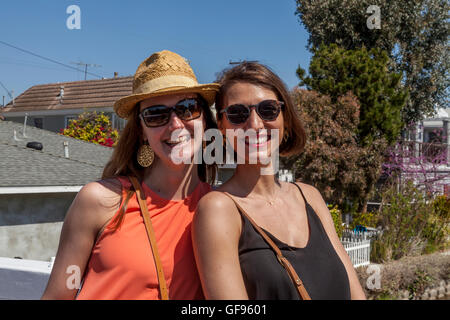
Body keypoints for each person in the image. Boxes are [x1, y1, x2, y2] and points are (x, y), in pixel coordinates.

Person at [41, 50, 219, 300]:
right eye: (156, 115)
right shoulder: (101, 200)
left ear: (204, 120)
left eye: (188, 109)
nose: (176, 124)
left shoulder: (218, 208)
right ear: (142, 131)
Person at [192, 62, 366, 300]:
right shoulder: (219, 209)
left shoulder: (310, 196)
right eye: (237, 114)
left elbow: (355, 294)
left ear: (284, 118)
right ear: (221, 127)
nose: (254, 124)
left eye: (268, 109)